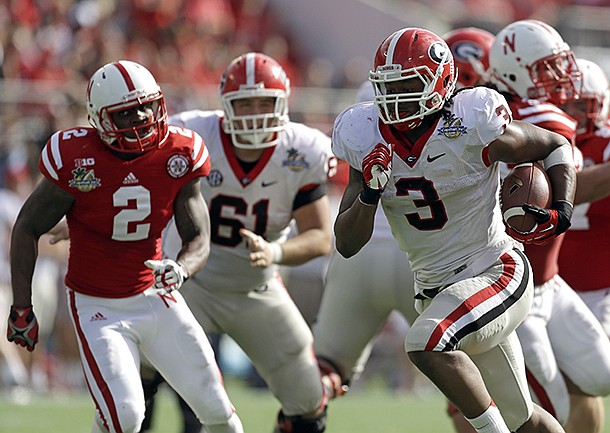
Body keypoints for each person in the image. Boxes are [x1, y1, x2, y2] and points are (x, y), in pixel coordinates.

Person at [332, 26, 575, 433]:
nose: (397, 97)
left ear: (441, 79)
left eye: (409, 83)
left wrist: (561, 210)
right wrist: (371, 193)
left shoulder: (470, 119)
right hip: (436, 292)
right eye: (388, 86)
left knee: (425, 344)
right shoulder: (363, 134)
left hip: (494, 271)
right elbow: (346, 243)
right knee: (526, 422)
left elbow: (553, 145)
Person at [6, 60, 244, 433]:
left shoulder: (178, 152)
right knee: (127, 417)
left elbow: (198, 236)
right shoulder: (75, 158)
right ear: (100, 119)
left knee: (218, 410)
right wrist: (22, 306)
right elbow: (26, 227)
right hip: (97, 304)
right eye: (127, 113)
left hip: (154, 293)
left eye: (147, 105)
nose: (143, 117)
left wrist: (180, 268)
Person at [145, 52, 336, 433]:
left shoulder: (303, 151)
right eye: (244, 102)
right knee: (140, 373)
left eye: (264, 102)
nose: (254, 112)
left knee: (307, 400)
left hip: (255, 285)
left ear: (283, 104)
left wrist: (275, 251)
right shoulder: (193, 135)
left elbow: (320, 237)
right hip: (187, 281)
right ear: (225, 105)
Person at [488, 20, 610, 433]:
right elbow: (569, 191)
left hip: (550, 282)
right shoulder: (535, 117)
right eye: (546, 69)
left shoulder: (512, 110)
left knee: (600, 375)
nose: (559, 78)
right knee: (548, 414)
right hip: (510, 287)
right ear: (517, 71)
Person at [312, 80, 421, 401]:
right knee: (467, 366)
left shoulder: (364, 102)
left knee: (324, 369)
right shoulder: (455, 109)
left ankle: (301, 413)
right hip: (421, 255)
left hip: (359, 254)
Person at [558, 59, 610, 333]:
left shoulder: (605, 142)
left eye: (581, 105)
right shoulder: (537, 137)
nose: (571, 114)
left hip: (600, 283)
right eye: (563, 104)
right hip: (553, 280)